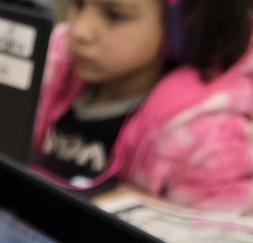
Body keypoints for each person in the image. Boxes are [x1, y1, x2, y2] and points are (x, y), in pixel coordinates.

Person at [32, 0, 253, 210]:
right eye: (79, 3)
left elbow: (209, 241)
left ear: (179, 25)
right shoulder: (51, 64)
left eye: (115, 15)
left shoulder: (209, 137)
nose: (79, 31)